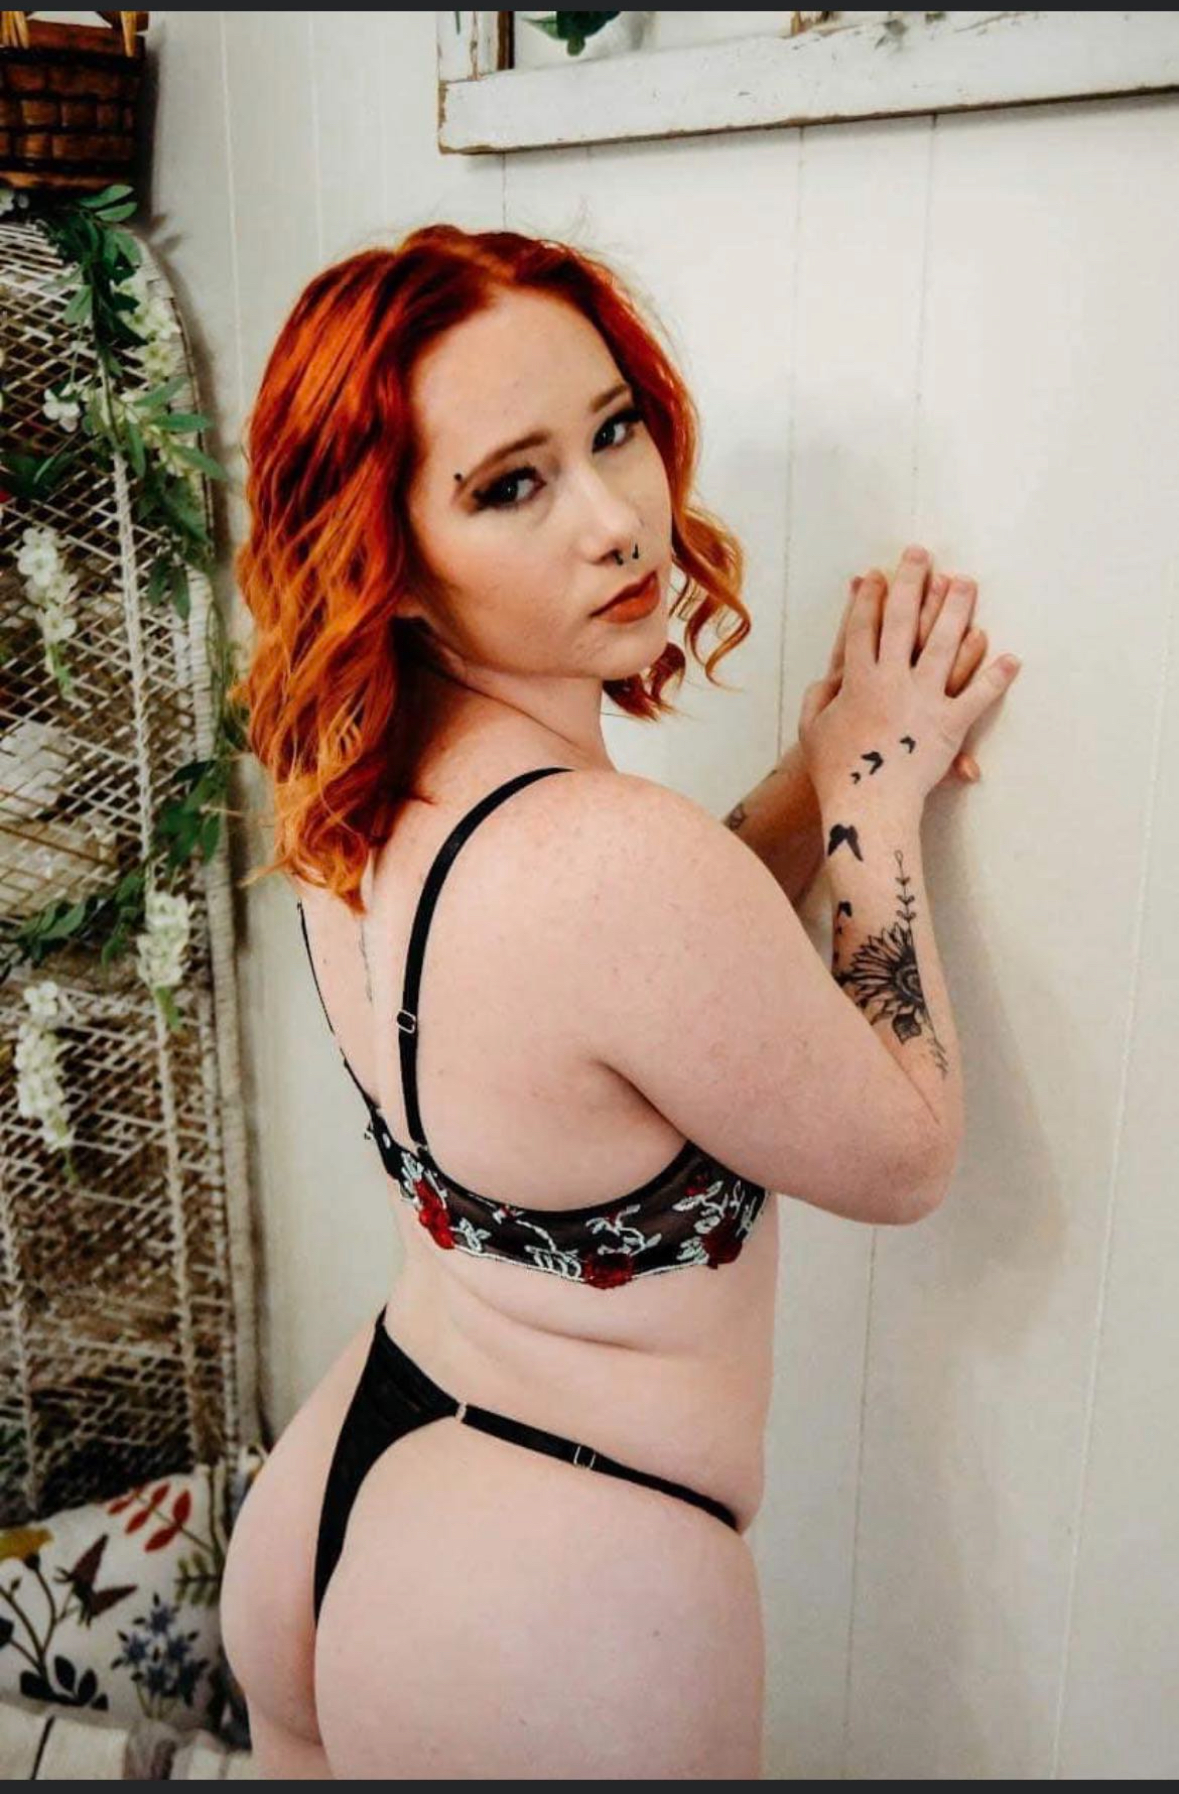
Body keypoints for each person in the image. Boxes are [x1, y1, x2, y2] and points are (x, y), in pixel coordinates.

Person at [217, 223, 1021, 1779]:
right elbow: (906, 1151)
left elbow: (638, 989)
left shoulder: (354, 795)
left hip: (343, 1501)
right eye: (509, 486)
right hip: (555, 1605)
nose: (616, 518)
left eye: (613, 429)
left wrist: (804, 780)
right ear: (389, 554)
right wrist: (872, 794)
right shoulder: (612, 859)